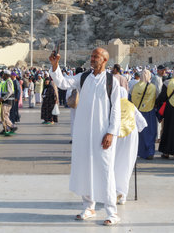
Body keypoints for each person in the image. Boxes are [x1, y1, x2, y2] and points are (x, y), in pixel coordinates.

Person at [49, 47, 121, 226]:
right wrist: (55, 65)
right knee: (85, 168)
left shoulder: (112, 81)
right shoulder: (84, 77)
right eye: (91, 56)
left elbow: (116, 110)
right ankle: (89, 206)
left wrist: (111, 132)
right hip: (83, 133)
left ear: (105, 59)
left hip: (103, 134)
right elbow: (63, 83)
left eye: (96, 56)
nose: (92, 59)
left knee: (105, 171)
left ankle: (112, 211)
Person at [115, 88, 147, 205]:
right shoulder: (131, 106)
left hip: (115, 136)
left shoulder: (112, 105)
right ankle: (122, 194)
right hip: (130, 136)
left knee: (114, 163)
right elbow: (142, 124)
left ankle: (112, 191)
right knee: (127, 163)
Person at [130, 69, 157, 160]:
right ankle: (150, 151)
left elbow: (130, 97)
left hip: (138, 112)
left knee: (140, 133)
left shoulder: (135, 86)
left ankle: (139, 152)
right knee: (150, 132)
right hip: (149, 112)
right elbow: (156, 98)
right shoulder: (152, 87)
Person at [0, 70, 17, 136]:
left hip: (8, 101)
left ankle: (11, 126)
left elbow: (9, 92)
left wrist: (3, 98)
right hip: (6, 101)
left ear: (6, 75)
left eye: (4, 75)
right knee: (3, 115)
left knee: (4, 115)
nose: (3, 76)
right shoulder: (6, 81)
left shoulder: (9, 81)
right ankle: (5, 128)